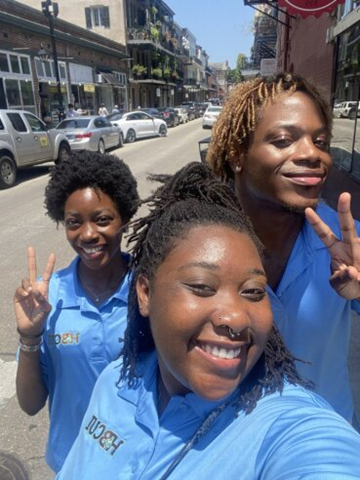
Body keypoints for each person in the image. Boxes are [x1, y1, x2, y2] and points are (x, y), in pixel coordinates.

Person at [56, 162, 360, 479]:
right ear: (145, 294)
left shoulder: (288, 428)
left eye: (254, 291)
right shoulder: (115, 381)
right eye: (202, 287)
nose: (235, 317)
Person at [207, 72, 360, 424]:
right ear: (236, 155)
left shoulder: (346, 239)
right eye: (283, 140)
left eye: (320, 141)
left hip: (323, 444)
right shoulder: (198, 244)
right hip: (229, 446)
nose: (311, 153)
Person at [14, 151, 139, 473]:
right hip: (73, 463)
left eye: (101, 219)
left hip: (139, 462)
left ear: (124, 218)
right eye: (74, 222)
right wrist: (30, 335)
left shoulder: (149, 289)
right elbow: (30, 405)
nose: (87, 234)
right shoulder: (49, 297)